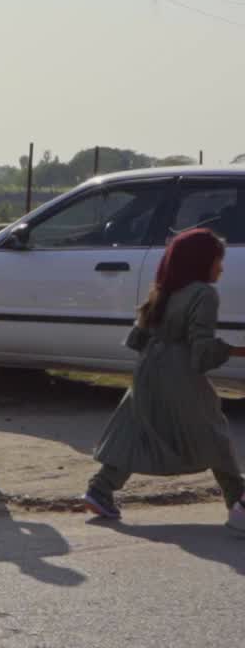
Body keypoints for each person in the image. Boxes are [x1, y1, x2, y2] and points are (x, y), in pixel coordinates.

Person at [82, 228, 245, 532]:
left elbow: (139, 336)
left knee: (138, 429)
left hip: (148, 369)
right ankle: (238, 504)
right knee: (213, 434)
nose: (221, 268)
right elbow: (202, 350)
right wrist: (237, 350)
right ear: (201, 262)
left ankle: (99, 490)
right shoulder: (204, 293)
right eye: (217, 261)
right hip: (178, 373)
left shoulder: (165, 288)